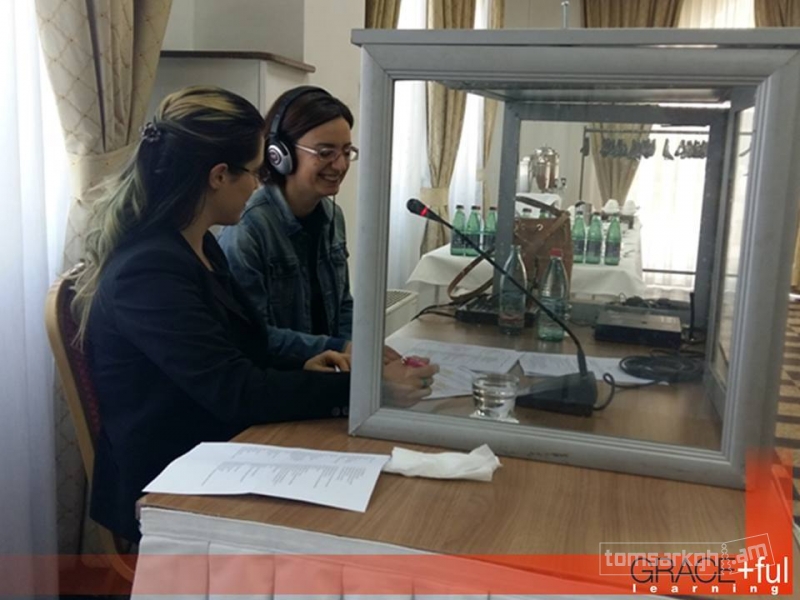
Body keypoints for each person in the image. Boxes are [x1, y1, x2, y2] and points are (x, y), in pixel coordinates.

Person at [70, 86, 437, 542]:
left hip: (221, 444)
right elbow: (234, 391)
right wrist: (366, 387)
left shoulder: (200, 244)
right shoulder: (148, 270)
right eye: (254, 171)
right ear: (219, 176)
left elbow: (248, 344)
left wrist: (305, 362)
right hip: (168, 476)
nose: (258, 183)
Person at [218, 86, 398, 363]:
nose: (340, 166)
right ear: (279, 154)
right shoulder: (247, 228)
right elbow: (253, 335)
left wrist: (358, 353)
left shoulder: (332, 216)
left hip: (331, 372)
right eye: (325, 153)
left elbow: (343, 305)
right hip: (282, 380)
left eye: (346, 152)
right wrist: (339, 348)